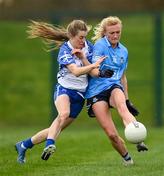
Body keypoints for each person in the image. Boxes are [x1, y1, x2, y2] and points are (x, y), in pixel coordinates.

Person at [15, 19, 114, 164]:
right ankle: (50, 145)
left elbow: (93, 72)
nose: (83, 40)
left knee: (55, 127)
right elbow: (75, 71)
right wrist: (93, 65)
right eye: (80, 37)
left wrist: (101, 73)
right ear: (72, 36)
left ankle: (23, 145)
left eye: (84, 37)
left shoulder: (89, 47)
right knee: (63, 114)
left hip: (80, 95)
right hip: (64, 89)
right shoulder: (65, 50)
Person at [85, 16, 148, 166]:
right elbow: (93, 69)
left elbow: (122, 76)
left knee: (123, 108)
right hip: (96, 91)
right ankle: (127, 159)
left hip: (114, 86)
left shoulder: (124, 51)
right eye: (111, 33)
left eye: (117, 32)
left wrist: (127, 99)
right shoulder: (100, 46)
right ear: (105, 33)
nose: (115, 35)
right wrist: (100, 72)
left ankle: (139, 139)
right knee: (112, 134)